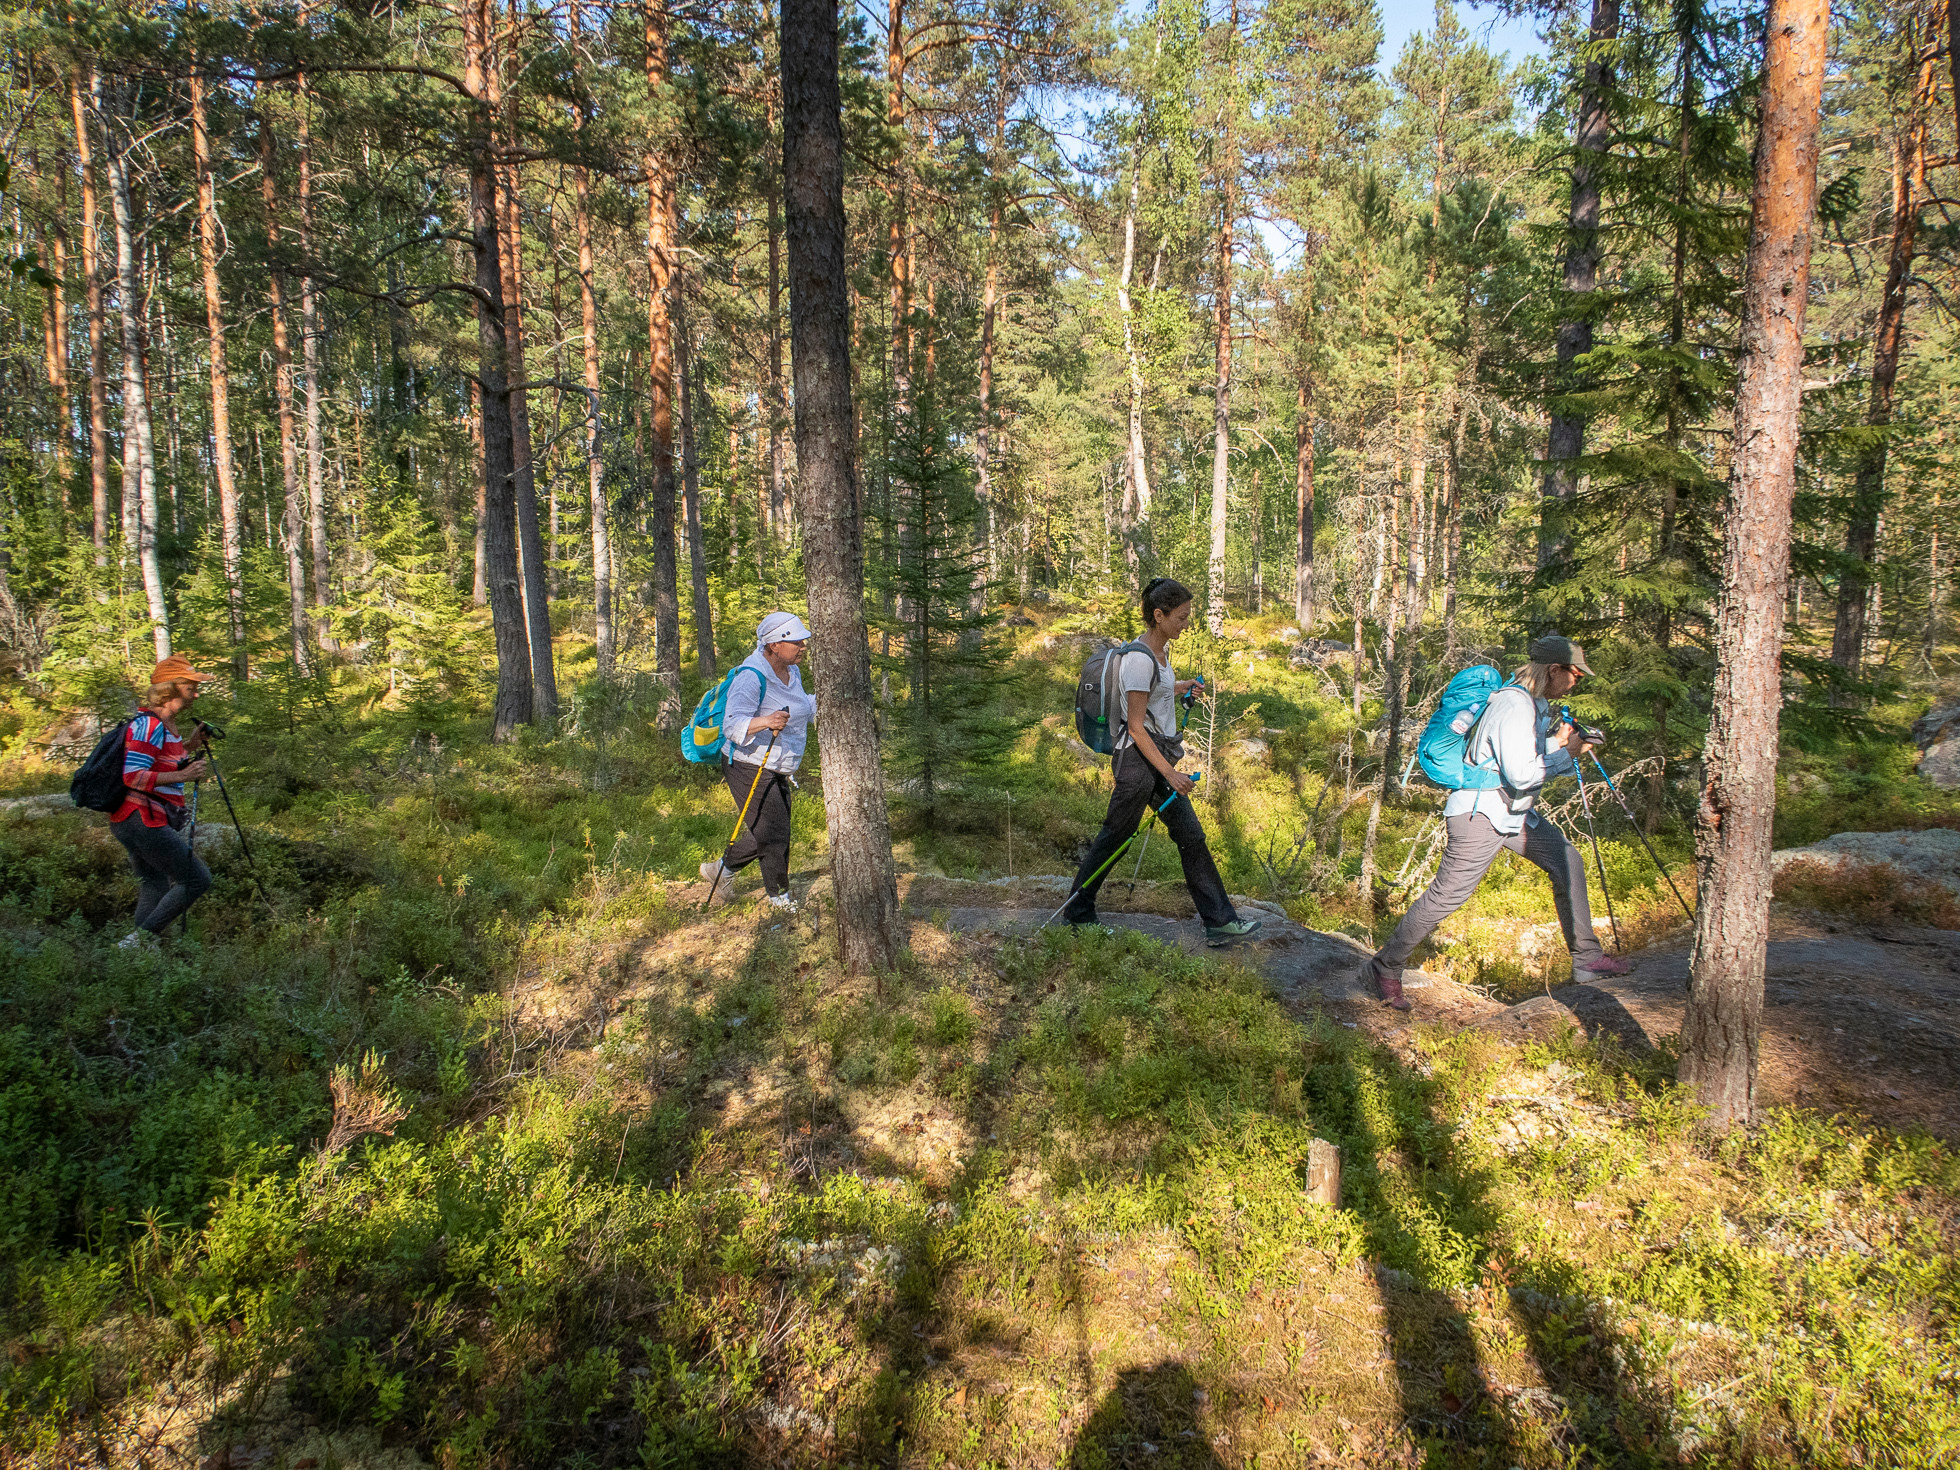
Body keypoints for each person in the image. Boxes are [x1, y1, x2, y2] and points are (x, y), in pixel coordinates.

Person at [1365, 633, 1635, 1009]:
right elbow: (1523, 774)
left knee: (1566, 860)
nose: (1577, 683)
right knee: (1447, 896)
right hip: (1481, 814)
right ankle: (1385, 967)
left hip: (1511, 812)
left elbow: (1522, 761)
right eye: (1576, 675)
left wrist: (1562, 745)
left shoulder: (1531, 703)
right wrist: (1568, 752)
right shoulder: (1514, 705)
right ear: (1554, 669)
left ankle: (1587, 960)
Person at [1059, 577, 1261, 946]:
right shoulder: (1139, 660)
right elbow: (1136, 727)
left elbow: (1155, 695)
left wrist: (1181, 686)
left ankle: (1220, 922)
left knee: (1191, 836)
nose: (1187, 623)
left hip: (1155, 760)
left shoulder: (1159, 655)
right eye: (1181, 617)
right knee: (1115, 838)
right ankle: (1077, 912)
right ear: (1159, 615)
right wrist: (1173, 774)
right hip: (1138, 765)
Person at [699, 612, 818, 912]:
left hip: (778, 764)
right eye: (796, 641)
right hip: (747, 762)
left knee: (767, 829)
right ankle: (779, 898)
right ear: (775, 645)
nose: (803, 645)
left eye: (803, 640)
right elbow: (731, 724)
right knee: (774, 832)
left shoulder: (793, 671)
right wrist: (766, 721)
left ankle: (720, 871)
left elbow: (802, 705)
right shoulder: (751, 676)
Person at [110, 655, 217, 949]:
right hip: (142, 818)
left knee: (154, 883)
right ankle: (136, 943)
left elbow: (159, 761)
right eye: (191, 687)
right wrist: (186, 773)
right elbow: (132, 776)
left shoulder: (165, 725)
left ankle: (139, 955)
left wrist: (190, 746)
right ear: (171, 689)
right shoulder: (150, 725)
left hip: (135, 819)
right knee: (197, 880)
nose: (196, 693)